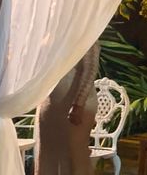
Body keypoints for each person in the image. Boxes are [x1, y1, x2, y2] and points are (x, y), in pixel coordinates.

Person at [35, 41, 100, 175]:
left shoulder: (86, 30)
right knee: (48, 155)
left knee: (75, 157)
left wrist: (78, 104)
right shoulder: (50, 33)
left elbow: (90, 69)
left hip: (78, 105)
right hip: (50, 105)